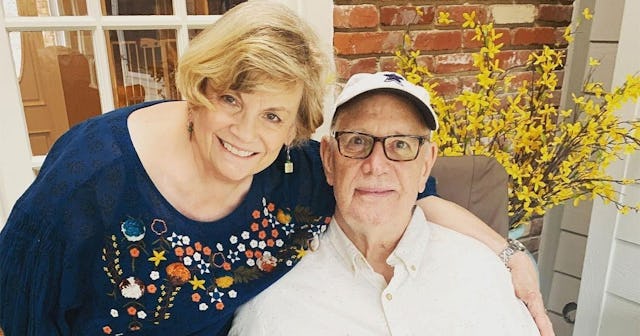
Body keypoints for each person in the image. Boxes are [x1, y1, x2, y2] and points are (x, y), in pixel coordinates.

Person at [0, 2, 550, 335]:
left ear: (297, 129)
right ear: (200, 86)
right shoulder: (91, 176)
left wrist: (511, 256)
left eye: (272, 115)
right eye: (232, 99)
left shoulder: (297, 172)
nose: (245, 134)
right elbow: (17, 308)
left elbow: (409, 190)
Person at [229, 72, 543, 335]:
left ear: (425, 165)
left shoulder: (481, 272)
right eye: (357, 141)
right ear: (327, 159)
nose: (376, 165)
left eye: (401, 145)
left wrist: (513, 256)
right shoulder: (274, 292)